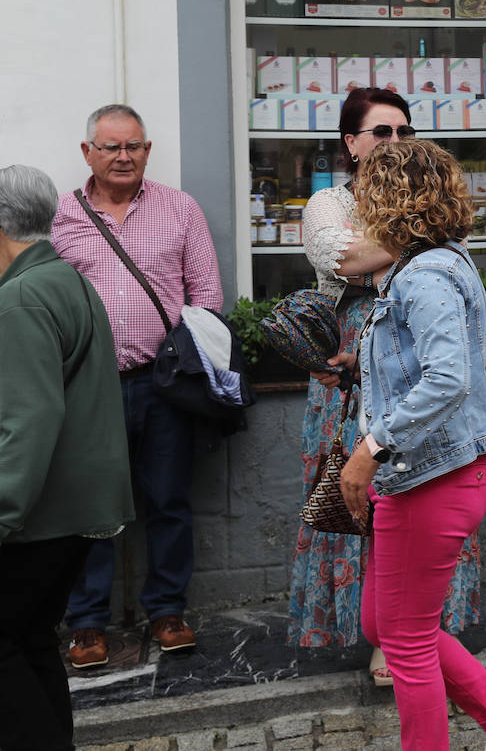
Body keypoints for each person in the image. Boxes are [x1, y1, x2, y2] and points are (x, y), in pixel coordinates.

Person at [338, 139, 486, 751]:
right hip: (428, 473)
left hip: (432, 477)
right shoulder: (435, 262)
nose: (361, 209)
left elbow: (449, 378)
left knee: (404, 640)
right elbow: (431, 362)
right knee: (385, 623)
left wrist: (369, 448)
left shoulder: (426, 273)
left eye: (367, 195)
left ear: (392, 201)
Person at [293, 87, 478, 685]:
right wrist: (421, 229)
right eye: (381, 132)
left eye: (403, 131)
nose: (394, 141)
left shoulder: (428, 211)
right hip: (353, 362)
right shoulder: (328, 202)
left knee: (423, 488)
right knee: (361, 495)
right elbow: (343, 258)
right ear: (351, 143)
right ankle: (381, 634)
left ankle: (424, 627)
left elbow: (448, 275)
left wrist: (409, 234)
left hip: (421, 357)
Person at [53, 104, 222, 667]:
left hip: (164, 385)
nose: (123, 156)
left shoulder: (180, 208)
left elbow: (207, 297)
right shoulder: (60, 217)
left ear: (148, 151)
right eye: (111, 147)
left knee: (169, 499)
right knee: (91, 505)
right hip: (88, 387)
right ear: (88, 153)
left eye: (134, 146)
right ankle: (87, 621)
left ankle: (167, 610)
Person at [0, 165, 136, 751]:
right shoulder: (66, 278)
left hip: (40, 514)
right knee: (30, 638)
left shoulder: (21, 297)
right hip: (77, 508)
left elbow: (27, 421)